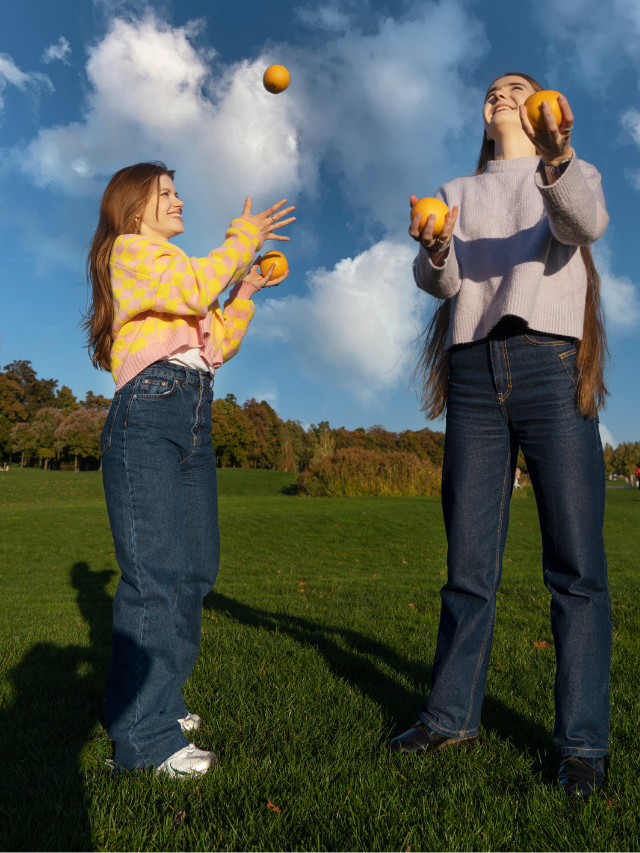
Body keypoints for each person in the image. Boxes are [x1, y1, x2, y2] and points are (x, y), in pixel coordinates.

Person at [393, 74, 612, 801]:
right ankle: (450, 717)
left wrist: (557, 158)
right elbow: (444, 284)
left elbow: (582, 226)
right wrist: (433, 247)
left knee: (575, 567)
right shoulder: (455, 188)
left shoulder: (571, 171)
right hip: (475, 374)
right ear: (483, 119)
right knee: (467, 565)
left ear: (543, 104)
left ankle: (582, 744)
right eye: (491, 91)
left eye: (516, 86)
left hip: (550, 364)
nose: (502, 94)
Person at [85, 162, 294, 777]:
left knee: (194, 569)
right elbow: (196, 285)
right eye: (166, 193)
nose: (179, 200)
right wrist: (243, 237)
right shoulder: (131, 252)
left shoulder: (172, 274)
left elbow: (215, 344)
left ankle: (162, 702)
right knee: (154, 575)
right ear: (133, 206)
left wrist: (245, 294)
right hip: (148, 413)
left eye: (178, 191)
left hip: (193, 412)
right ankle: (144, 743)